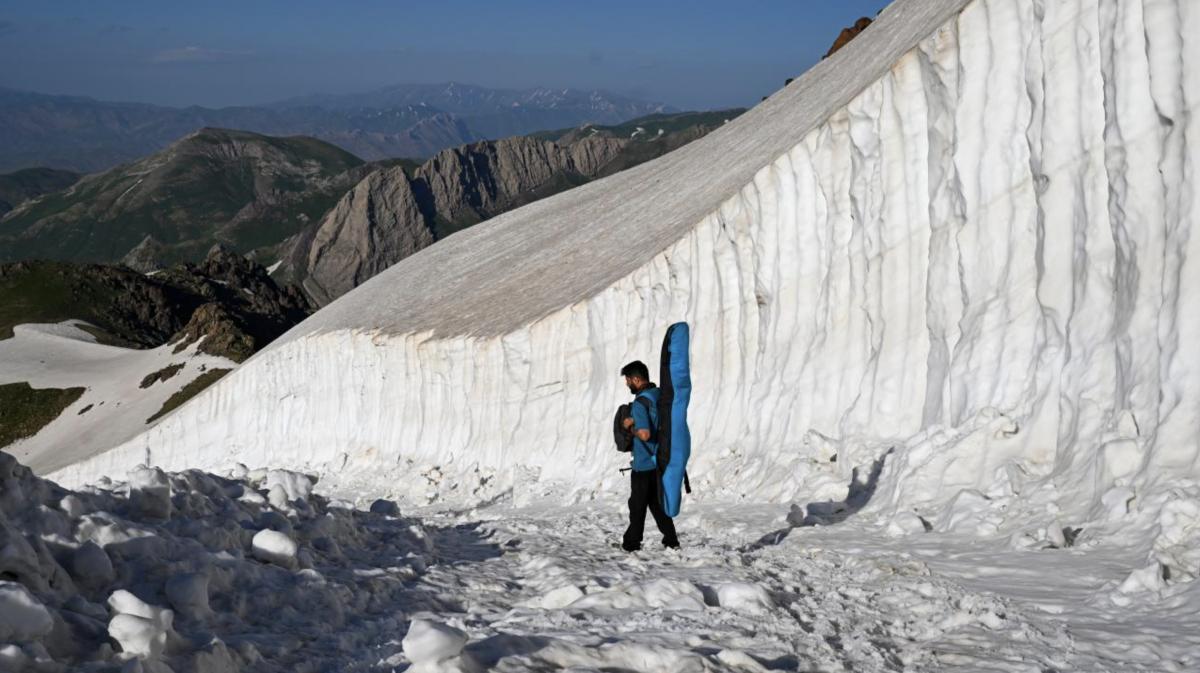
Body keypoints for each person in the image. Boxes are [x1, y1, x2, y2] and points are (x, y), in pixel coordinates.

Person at [619, 360, 680, 552]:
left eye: (628, 380)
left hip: (643, 464)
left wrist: (630, 426)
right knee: (657, 504)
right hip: (659, 462)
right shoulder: (658, 395)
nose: (627, 383)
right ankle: (671, 541)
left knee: (637, 507)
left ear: (637, 379)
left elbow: (644, 434)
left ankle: (631, 544)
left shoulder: (640, 403)